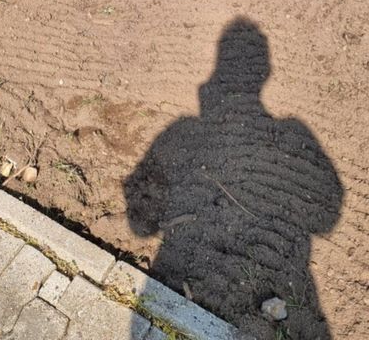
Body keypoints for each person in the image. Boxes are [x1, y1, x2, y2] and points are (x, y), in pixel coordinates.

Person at [126, 19, 343, 339]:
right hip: (282, 275)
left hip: (180, 270)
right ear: (266, 73)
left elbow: (140, 225)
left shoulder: (185, 130)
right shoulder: (292, 132)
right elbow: (327, 216)